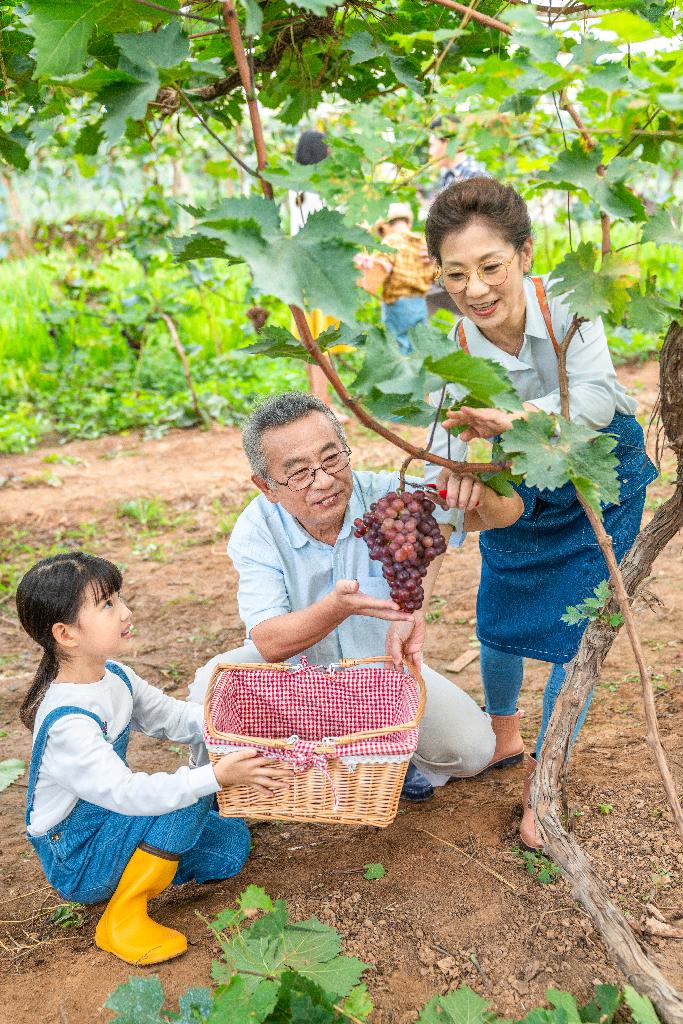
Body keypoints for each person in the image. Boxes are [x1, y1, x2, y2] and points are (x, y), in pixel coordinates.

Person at [423, 176, 657, 848]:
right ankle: (503, 735)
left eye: (490, 266)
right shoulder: (458, 348)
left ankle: (542, 777)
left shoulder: (569, 307)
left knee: (573, 639)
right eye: (456, 273)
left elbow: (596, 397)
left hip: (592, 478)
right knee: (498, 613)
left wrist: (517, 419)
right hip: (519, 487)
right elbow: (449, 440)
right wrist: (454, 489)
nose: (475, 288)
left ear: (524, 254)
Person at [188, 391, 524, 803]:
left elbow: (504, 514)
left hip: (382, 675)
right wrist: (336, 607)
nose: (324, 480)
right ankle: (218, 792)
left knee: (474, 749)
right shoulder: (257, 527)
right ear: (267, 486)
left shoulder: (391, 498)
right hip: (292, 683)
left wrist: (481, 494)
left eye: (331, 459)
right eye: (299, 473)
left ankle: (385, 759)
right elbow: (269, 642)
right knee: (208, 689)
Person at [17, 553, 288, 966]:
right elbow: (127, 793)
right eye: (107, 604)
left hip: (111, 823)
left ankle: (155, 854)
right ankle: (121, 917)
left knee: (231, 850)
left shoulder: (116, 677)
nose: (126, 612)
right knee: (190, 795)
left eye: (119, 598)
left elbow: (175, 718)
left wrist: (236, 727)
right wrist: (214, 777)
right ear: (65, 634)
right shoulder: (67, 722)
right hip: (79, 855)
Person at [288, 130, 343, 415]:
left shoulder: (296, 188)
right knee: (320, 341)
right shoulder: (315, 190)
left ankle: (323, 401)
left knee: (313, 340)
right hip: (317, 270)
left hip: (302, 270)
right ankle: (323, 405)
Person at [421, 116, 488, 318]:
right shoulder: (447, 177)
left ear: (446, 142)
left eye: (432, 144)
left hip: (474, 268)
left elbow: (478, 237)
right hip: (454, 263)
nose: (430, 151)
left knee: (414, 289)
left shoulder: (473, 177)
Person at [357, 201, 434, 354]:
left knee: (397, 345)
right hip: (420, 302)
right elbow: (432, 272)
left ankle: (402, 376)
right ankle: (419, 374)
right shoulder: (422, 243)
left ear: (385, 227)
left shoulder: (390, 241)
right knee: (419, 346)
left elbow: (380, 267)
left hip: (397, 304)